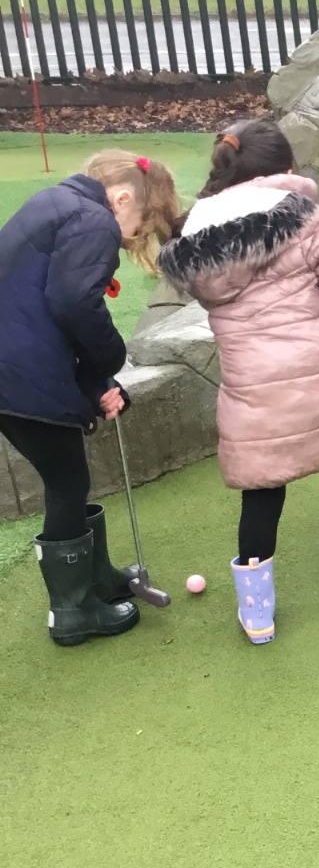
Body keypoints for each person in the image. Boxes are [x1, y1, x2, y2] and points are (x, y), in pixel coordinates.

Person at [159, 119, 319, 645]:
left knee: (262, 489)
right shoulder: (304, 215)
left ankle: (257, 612)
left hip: (252, 387)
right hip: (314, 367)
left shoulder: (196, 236)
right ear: (284, 167)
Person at [0, 150, 179, 646]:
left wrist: (96, 384)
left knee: (69, 479)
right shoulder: (94, 219)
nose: (134, 236)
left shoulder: (56, 202)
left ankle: (97, 581)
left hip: (14, 363)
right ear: (122, 198)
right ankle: (73, 612)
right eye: (139, 223)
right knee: (66, 481)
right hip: (19, 371)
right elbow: (73, 302)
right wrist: (110, 360)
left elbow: (45, 308)